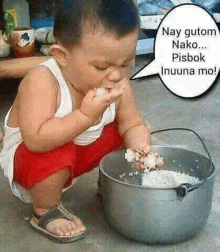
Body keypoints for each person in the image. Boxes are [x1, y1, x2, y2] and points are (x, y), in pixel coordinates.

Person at [0, 0, 163, 243]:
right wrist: (85, 117)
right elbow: (36, 140)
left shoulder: (117, 81)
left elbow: (133, 123)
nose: (116, 75)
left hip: (78, 152)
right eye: (102, 66)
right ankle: (44, 210)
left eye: (126, 63)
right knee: (56, 149)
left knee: (123, 134)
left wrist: (140, 149)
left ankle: (108, 183)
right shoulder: (43, 81)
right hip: (34, 161)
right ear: (62, 56)